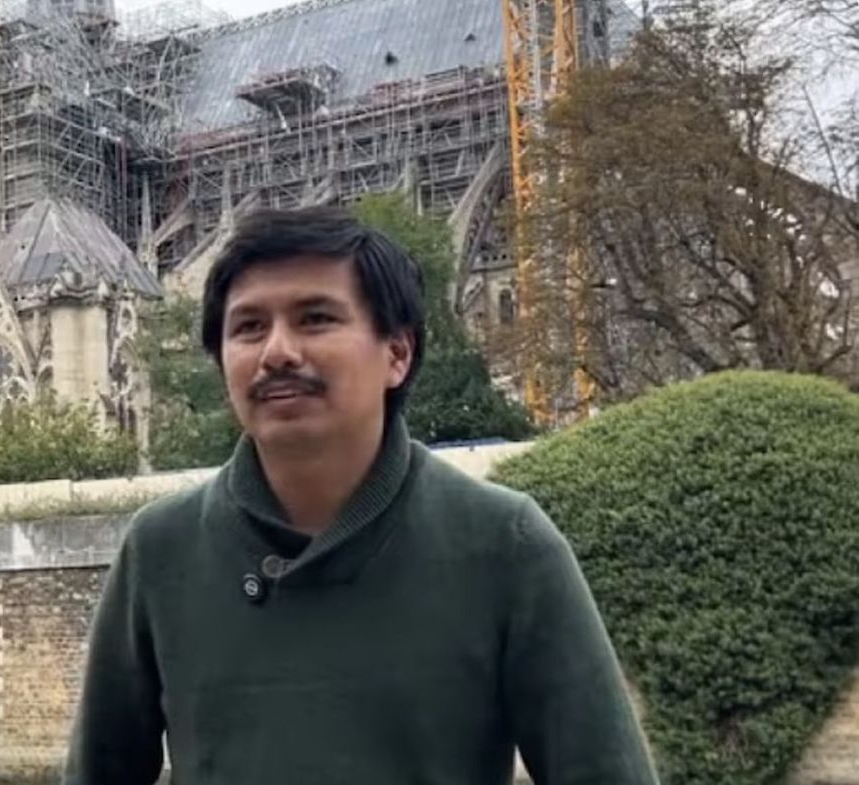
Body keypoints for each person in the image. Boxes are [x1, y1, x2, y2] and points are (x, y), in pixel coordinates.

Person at [61, 205, 659, 784]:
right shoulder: (160, 550)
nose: (277, 352)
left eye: (316, 318)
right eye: (248, 327)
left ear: (397, 353)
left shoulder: (505, 544)